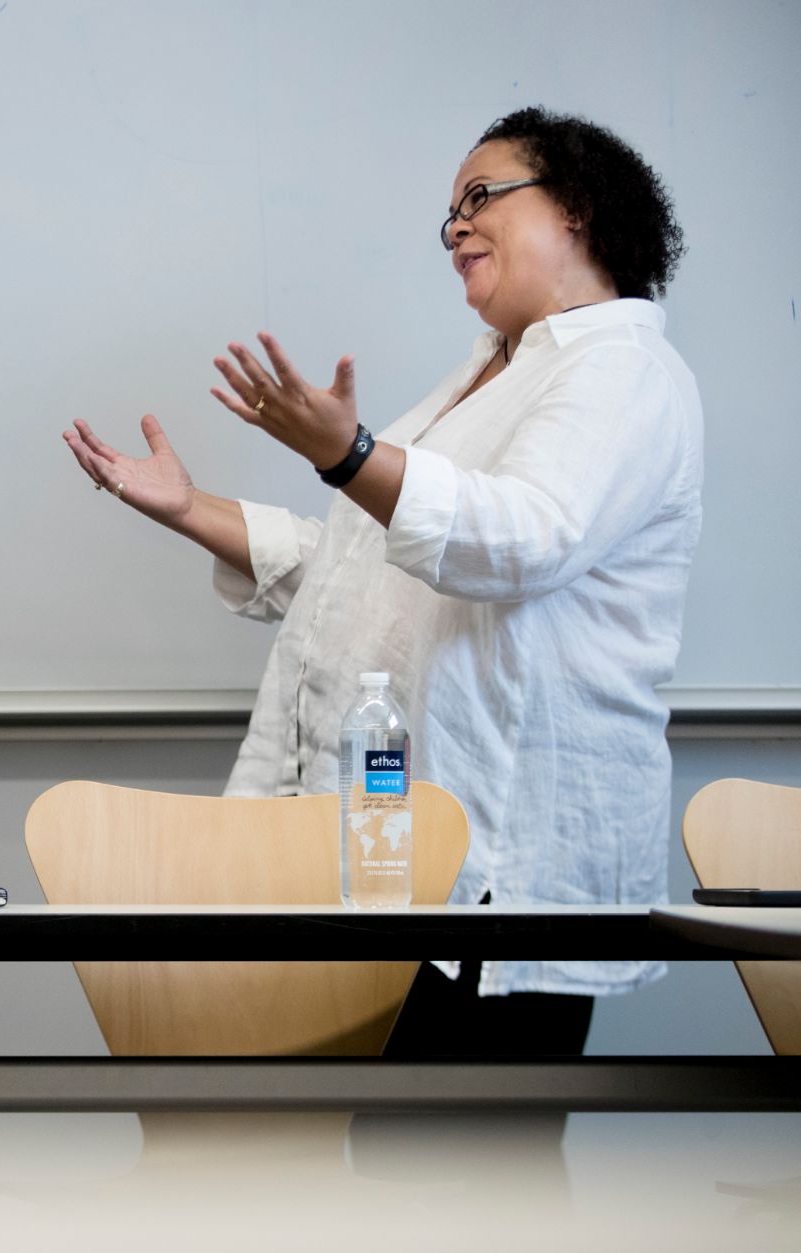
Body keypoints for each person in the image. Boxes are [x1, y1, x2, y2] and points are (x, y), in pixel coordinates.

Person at [64, 106, 699, 1063]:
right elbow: (362, 571)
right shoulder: (488, 373)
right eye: (446, 213)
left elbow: (517, 542)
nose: (454, 230)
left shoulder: (623, 370)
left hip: (501, 872)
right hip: (396, 865)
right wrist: (190, 507)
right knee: (377, 1173)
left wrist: (348, 454)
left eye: (479, 199)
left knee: (467, 1181)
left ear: (573, 207)